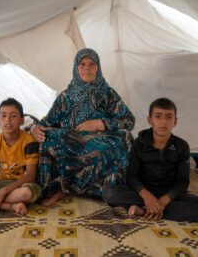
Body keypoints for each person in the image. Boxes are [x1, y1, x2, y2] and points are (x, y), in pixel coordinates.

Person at [31, 48, 135, 206]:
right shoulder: (66, 97)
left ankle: (107, 190)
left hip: (99, 142)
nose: (87, 67)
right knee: (47, 136)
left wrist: (101, 124)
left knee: (125, 136)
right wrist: (34, 128)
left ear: (97, 68)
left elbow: (129, 120)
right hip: (72, 143)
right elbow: (48, 122)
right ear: (76, 68)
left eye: (92, 64)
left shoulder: (107, 94)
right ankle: (60, 188)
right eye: (83, 64)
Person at [102, 98, 198, 222]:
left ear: (175, 121)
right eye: (158, 116)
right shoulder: (139, 143)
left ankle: (146, 210)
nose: (163, 122)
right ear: (150, 120)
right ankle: (153, 207)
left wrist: (162, 201)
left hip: (169, 195)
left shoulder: (182, 146)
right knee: (109, 193)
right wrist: (147, 197)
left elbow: (182, 183)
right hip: (142, 192)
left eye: (169, 117)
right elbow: (132, 177)